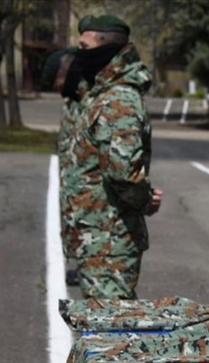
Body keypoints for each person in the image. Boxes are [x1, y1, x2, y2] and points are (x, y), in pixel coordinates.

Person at [67, 15, 162, 299]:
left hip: (110, 239)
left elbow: (123, 172)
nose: (79, 53)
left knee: (109, 328)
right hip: (98, 236)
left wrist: (145, 200)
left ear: (106, 48)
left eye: (85, 46)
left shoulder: (119, 99)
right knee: (102, 327)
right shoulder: (104, 94)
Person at [42, 47, 83, 286]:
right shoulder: (71, 101)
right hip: (72, 181)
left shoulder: (88, 102)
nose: (55, 87)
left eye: (56, 81)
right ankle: (78, 263)